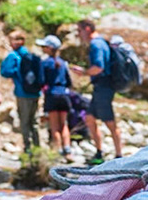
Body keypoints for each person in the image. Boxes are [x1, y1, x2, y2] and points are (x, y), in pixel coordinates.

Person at [76, 18, 123, 165]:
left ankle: (119, 155)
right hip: (100, 88)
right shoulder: (100, 42)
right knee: (89, 117)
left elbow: (99, 67)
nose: (79, 34)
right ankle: (99, 153)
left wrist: (83, 72)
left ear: (88, 29)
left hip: (104, 87)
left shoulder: (96, 44)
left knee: (109, 121)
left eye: (79, 30)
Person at [0, 30, 42, 153]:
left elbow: (5, 72)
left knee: (24, 121)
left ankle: (27, 148)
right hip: (35, 93)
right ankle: (37, 147)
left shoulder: (14, 56)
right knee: (34, 121)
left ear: (18, 41)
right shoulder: (29, 54)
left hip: (22, 93)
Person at [37, 35, 74, 157]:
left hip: (52, 95)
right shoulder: (63, 63)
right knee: (64, 124)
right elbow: (69, 82)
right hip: (64, 95)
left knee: (54, 126)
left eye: (44, 46)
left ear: (49, 48)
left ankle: (57, 151)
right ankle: (67, 150)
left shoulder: (45, 63)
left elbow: (41, 80)